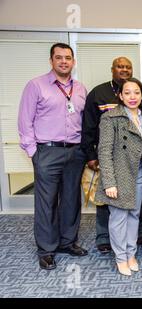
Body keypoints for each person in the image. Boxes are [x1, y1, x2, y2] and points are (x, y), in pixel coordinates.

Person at [18, 43, 88, 270]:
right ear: (51, 61)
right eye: (59, 58)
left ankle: (68, 242)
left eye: (68, 58)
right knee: (46, 202)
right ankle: (47, 249)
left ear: (73, 61)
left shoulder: (80, 88)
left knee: (71, 199)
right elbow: (24, 121)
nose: (64, 62)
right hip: (47, 150)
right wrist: (33, 153)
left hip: (75, 151)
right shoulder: (36, 86)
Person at [81, 57, 142, 254]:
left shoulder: (140, 98)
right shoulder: (99, 93)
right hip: (109, 159)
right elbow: (88, 125)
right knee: (109, 203)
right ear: (112, 69)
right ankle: (105, 239)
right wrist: (91, 155)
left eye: (128, 67)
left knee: (135, 207)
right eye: (120, 66)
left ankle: (134, 238)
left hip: (136, 166)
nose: (124, 70)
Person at [95, 78, 142, 276]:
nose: (132, 97)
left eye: (136, 92)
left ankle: (131, 254)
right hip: (119, 176)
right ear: (120, 96)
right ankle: (121, 257)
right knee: (118, 219)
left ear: (141, 95)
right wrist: (109, 182)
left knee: (134, 216)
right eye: (128, 93)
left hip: (140, 174)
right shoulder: (110, 118)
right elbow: (104, 152)